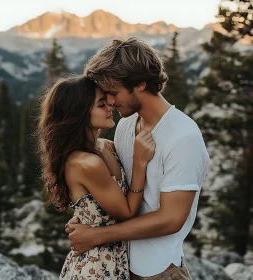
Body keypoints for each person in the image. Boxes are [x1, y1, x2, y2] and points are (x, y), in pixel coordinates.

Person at [65, 37, 210, 280]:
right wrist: (88, 215)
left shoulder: (183, 136)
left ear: (141, 84)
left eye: (114, 92)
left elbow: (171, 219)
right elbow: (119, 193)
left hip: (159, 271)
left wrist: (97, 235)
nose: (110, 101)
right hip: (119, 266)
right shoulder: (126, 124)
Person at [37, 74, 155, 279]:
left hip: (114, 260)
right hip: (97, 268)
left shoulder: (106, 146)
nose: (110, 105)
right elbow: (126, 212)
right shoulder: (86, 163)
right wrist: (140, 164)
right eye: (101, 104)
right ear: (80, 114)